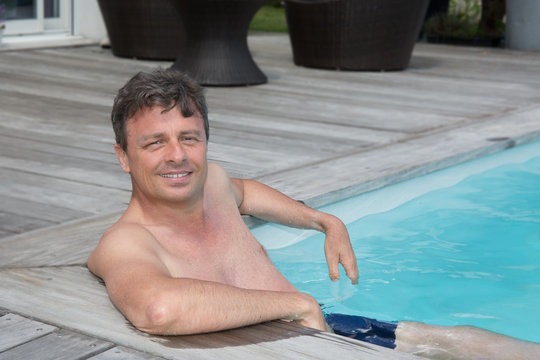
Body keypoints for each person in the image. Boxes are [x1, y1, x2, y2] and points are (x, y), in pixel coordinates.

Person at [88, 69, 539, 360]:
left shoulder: (214, 185)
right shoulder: (126, 242)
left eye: (190, 138)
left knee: (467, 341)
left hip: (328, 329)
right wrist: (295, 303)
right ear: (123, 156)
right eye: (154, 143)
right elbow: (160, 309)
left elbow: (246, 192)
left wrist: (325, 221)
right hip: (279, 347)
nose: (177, 156)